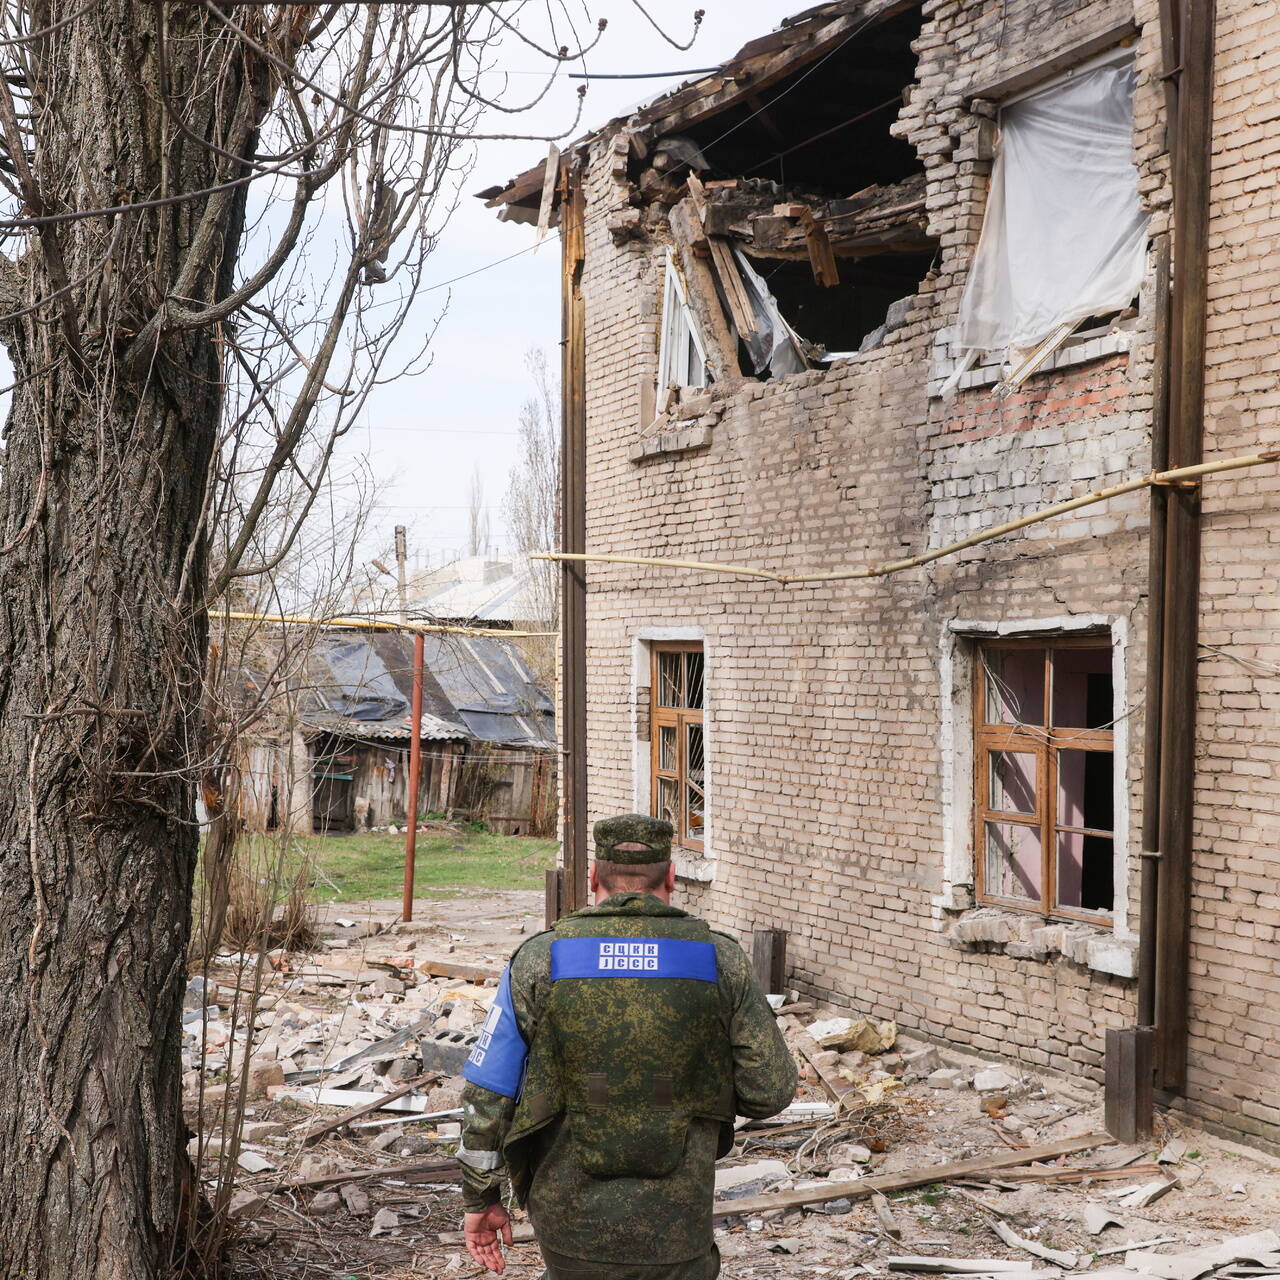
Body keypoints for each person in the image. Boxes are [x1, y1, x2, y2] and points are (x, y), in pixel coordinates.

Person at [457, 813, 798, 1279]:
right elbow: (770, 1092)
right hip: (677, 1227)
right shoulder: (719, 959)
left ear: (594, 876)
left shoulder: (541, 958)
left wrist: (481, 1199)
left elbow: (488, 1095)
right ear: (672, 878)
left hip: (570, 1227)